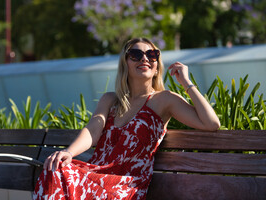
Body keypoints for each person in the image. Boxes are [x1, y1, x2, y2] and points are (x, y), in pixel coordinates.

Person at [33, 37, 220, 199]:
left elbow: (211, 124)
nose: (145, 58)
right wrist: (69, 152)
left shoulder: (164, 100)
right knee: (55, 169)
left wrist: (186, 82)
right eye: (136, 54)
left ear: (156, 66)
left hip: (126, 185)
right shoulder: (110, 100)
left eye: (152, 55)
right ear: (126, 64)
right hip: (96, 175)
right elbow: (93, 130)